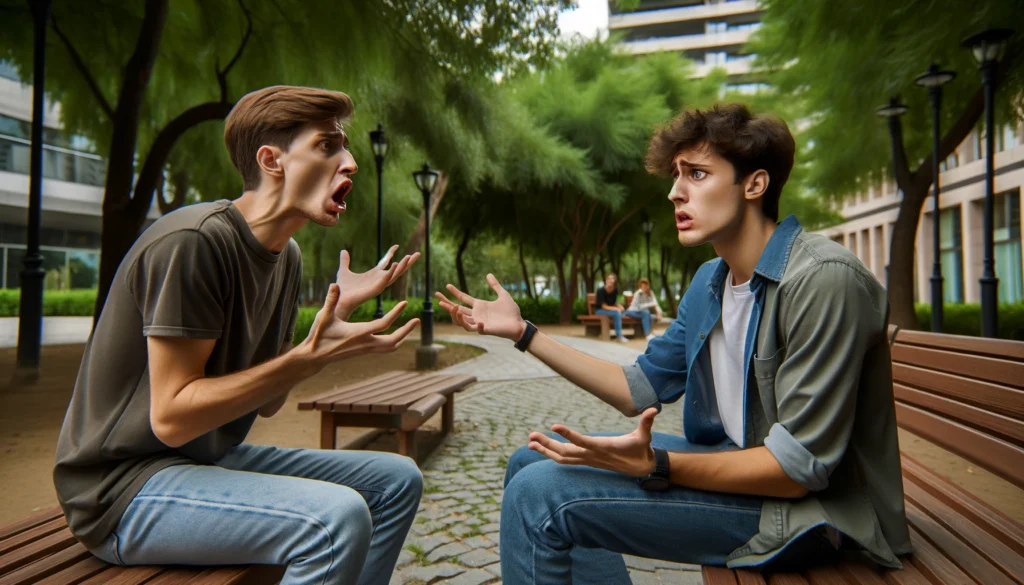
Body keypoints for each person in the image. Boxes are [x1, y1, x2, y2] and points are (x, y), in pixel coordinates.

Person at [436, 103, 909, 583]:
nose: (674, 192)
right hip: (748, 472)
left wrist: (658, 464)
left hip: (815, 517)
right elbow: (637, 387)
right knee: (533, 458)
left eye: (696, 174)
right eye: (676, 174)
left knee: (538, 495)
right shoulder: (712, 281)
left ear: (755, 184)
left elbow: (796, 470)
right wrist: (523, 333)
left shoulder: (822, 280)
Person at [54, 86, 426, 585]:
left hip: (204, 460)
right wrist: (307, 359)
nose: (351, 162)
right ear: (272, 160)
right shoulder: (194, 242)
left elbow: (267, 403)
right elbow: (170, 417)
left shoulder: (285, 257)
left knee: (396, 480)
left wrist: (330, 326)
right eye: (327, 145)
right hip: (121, 488)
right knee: (334, 521)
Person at [595, 273, 654, 342]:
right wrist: (616, 309)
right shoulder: (600, 291)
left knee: (621, 312)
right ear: (606, 280)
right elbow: (603, 306)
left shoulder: (615, 290)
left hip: (610, 310)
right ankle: (619, 337)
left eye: (612, 279)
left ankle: (648, 334)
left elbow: (613, 302)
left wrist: (620, 306)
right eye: (609, 279)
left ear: (614, 281)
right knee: (617, 313)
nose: (611, 280)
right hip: (600, 310)